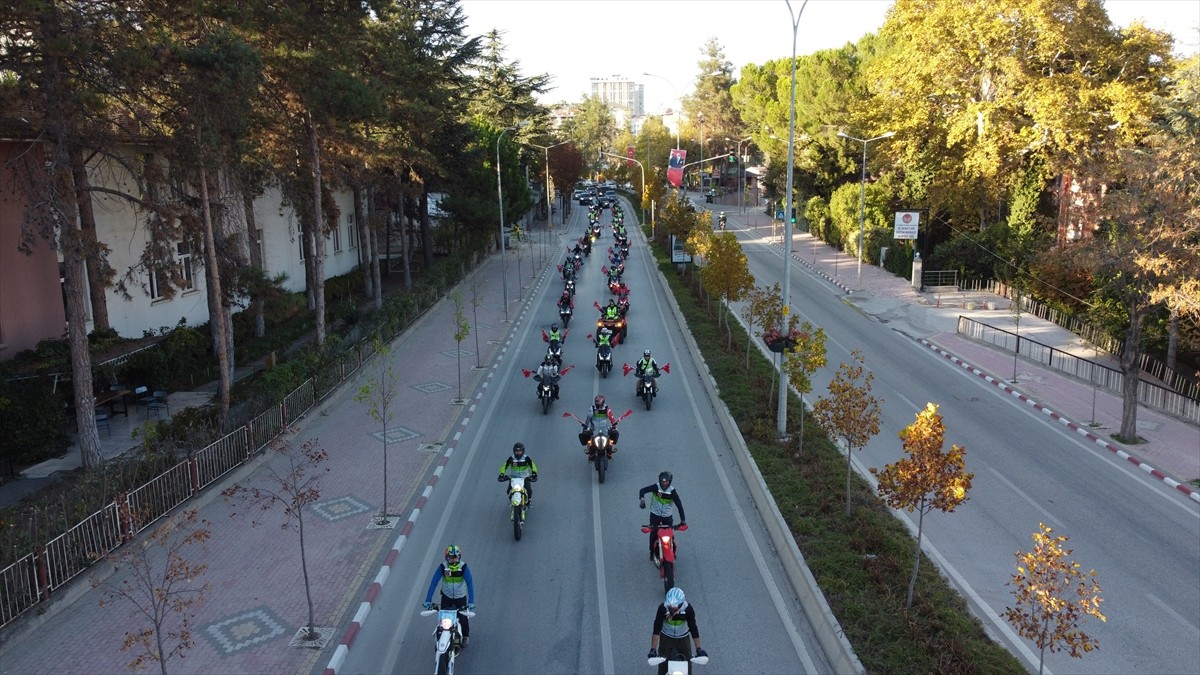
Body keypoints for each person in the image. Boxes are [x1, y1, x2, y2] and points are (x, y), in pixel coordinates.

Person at [423, 545, 476, 646]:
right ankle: (442, 636)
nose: (454, 560)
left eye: (456, 557)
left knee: (463, 617)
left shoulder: (463, 567)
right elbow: (434, 583)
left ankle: (465, 636)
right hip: (446, 598)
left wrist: (471, 602)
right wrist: (428, 600)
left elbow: (470, 584)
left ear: (459, 557)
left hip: (460, 598)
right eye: (451, 557)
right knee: (443, 619)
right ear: (447, 558)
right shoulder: (443, 567)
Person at [648, 587, 707, 674]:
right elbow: (656, 629)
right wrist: (653, 650)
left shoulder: (688, 610)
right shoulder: (662, 608)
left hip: (683, 637)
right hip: (666, 637)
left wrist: (699, 649)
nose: (671, 609)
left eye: (674, 608)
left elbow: (693, 629)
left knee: (688, 661)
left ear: (681, 604)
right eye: (670, 606)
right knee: (663, 662)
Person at [639, 471, 685, 559]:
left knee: (670, 534)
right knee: (653, 533)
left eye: (666, 481)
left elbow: (679, 506)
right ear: (660, 481)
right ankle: (652, 552)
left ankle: (672, 551)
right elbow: (642, 490)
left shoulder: (672, 491)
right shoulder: (656, 487)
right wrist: (642, 499)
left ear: (670, 481)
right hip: (655, 515)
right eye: (662, 481)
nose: (664, 483)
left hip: (667, 516)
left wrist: (683, 520)